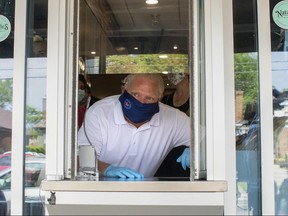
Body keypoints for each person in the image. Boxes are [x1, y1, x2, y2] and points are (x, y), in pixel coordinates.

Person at [78, 73, 191, 178]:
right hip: (98, 189)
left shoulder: (172, 119)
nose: (141, 102)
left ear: (159, 99)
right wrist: (107, 169)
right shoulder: (100, 113)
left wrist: (197, 151)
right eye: (135, 94)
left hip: (142, 191)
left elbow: (206, 139)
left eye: (149, 98)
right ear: (123, 90)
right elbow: (80, 158)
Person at [154, 72, 190, 177]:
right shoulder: (166, 99)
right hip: (165, 152)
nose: (172, 73)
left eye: (176, 70)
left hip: (185, 155)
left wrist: (196, 149)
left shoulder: (198, 98)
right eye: (169, 70)